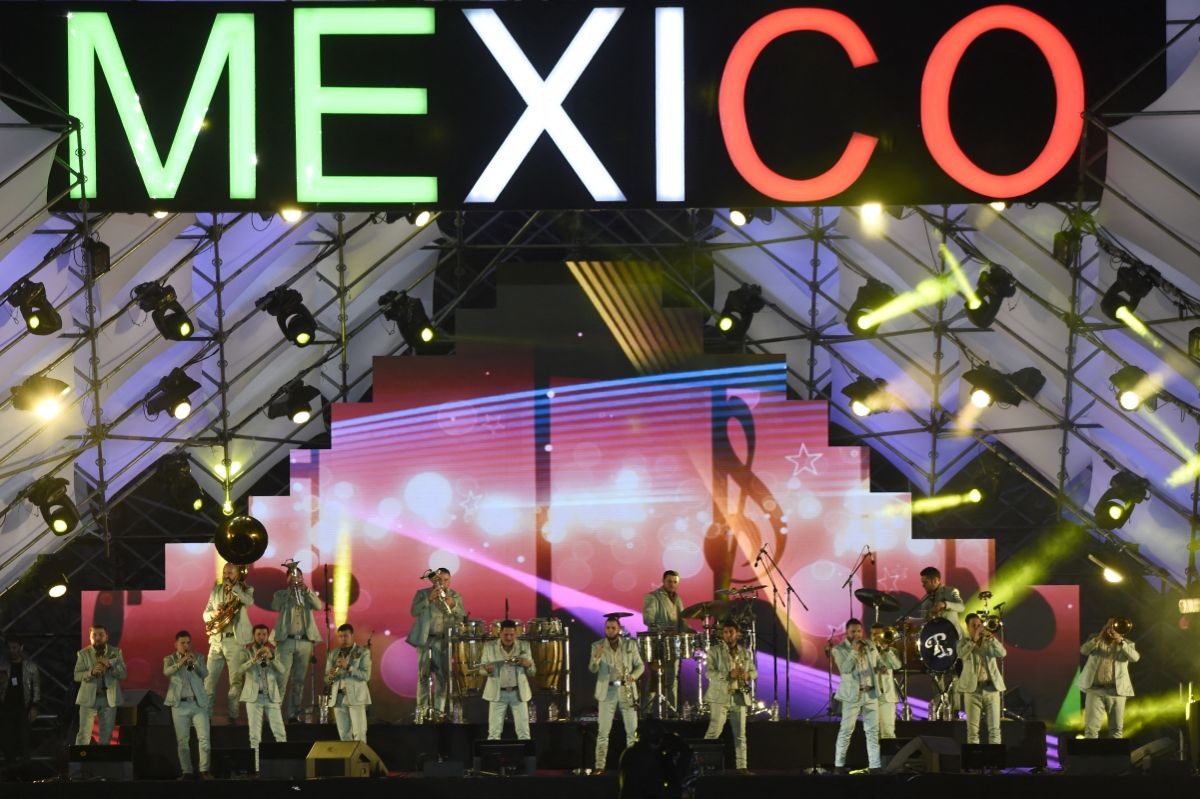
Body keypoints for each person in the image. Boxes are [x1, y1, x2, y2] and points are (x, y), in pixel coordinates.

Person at [406, 567, 465, 719]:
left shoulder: (455, 596)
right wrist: (429, 599)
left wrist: (454, 605)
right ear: (434, 580)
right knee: (423, 675)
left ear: (450, 581)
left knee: (442, 676)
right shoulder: (422, 594)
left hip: (443, 640)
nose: (442, 582)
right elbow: (413, 611)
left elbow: (461, 616)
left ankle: (439, 711)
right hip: (425, 640)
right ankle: (422, 710)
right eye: (440, 580)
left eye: (446, 580)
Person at [590, 614, 645, 774]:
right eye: (608, 628)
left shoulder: (629, 645)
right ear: (604, 629)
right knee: (603, 732)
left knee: (631, 732)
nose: (610, 630)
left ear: (619, 629)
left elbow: (640, 666)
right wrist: (596, 658)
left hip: (626, 689)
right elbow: (592, 669)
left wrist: (633, 677)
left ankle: (633, 768)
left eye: (613, 628)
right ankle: (599, 766)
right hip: (607, 691)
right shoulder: (597, 645)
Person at [271, 561, 324, 722]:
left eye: (299, 576)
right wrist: (290, 591)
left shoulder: (307, 594)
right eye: (293, 576)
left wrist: (306, 590)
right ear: (287, 579)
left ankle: (293, 714)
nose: (296, 579)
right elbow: (275, 606)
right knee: (281, 678)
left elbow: (318, 606)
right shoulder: (281, 594)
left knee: (299, 681)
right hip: (286, 642)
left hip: (305, 642)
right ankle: (275, 714)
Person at [703, 618, 756, 773]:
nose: (727, 635)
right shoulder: (714, 651)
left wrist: (747, 675)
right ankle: (704, 764)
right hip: (720, 697)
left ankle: (742, 767)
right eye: (725, 632)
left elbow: (755, 671)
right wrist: (727, 674)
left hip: (739, 697)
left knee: (740, 735)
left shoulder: (744, 652)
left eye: (731, 632)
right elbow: (709, 673)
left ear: (737, 634)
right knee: (714, 732)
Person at [203, 563, 254, 722]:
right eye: (225, 572)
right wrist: (215, 613)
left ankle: (233, 717)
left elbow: (249, 601)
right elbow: (204, 614)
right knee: (209, 682)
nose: (226, 575)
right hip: (217, 640)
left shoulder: (246, 589)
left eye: (230, 572)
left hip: (235, 641)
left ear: (238, 574)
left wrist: (235, 589)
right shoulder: (216, 590)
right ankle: (206, 717)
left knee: (235, 682)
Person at [831, 618, 881, 773]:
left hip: (870, 693)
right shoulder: (839, 650)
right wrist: (854, 650)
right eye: (853, 631)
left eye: (859, 631)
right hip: (852, 696)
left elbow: (877, 663)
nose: (857, 634)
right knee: (846, 730)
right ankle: (838, 766)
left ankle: (875, 766)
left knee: (872, 731)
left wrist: (883, 666)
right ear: (847, 632)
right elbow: (845, 668)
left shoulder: (870, 645)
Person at [237, 624, 287, 772]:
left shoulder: (273, 651)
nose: (262, 637)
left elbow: (282, 671)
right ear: (254, 635)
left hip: (271, 697)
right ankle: (257, 769)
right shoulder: (246, 651)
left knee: (280, 733)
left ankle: (283, 766)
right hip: (254, 698)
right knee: (254, 735)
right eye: (259, 634)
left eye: (264, 634)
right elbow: (239, 669)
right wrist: (253, 660)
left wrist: (272, 659)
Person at [1079, 617, 1140, 739]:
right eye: (1110, 624)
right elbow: (1083, 650)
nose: (1112, 628)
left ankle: (1115, 758)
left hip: (1116, 691)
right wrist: (1098, 637)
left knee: (1116, 730)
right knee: (1091, 730)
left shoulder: (1127, 643)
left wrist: (1120, 641)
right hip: (1095, 690)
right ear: (1105, 625)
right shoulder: (1095, 639)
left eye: (1115, 625)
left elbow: (1135, 658)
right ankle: (1090, 758)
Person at [163, 630, 212, 780]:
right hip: (179, 705)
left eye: (188, 642)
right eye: (183, 643)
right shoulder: (169, 659)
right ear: (176, 644)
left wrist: (194, 662)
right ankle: (187, 771)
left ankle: (204, 770)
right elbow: (167, 672)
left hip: (198, 704)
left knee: (204, 738)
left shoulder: (199, 657)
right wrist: (181, 662)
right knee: (183, 741)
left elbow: (205, 674)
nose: (186, 645)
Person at [480, 619, 535, 740]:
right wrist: (487, 670)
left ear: (516, 634)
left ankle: (525, 758)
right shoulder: (489, 646)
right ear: (500, 633)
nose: (509, 637)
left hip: (518, 693)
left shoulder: (524, 646)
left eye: (511, 634)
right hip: (497, 693)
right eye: (506, 634)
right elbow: (481, 669)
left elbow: (533, 671)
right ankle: (493, 758)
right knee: (494, 733)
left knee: (524, 733)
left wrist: (528, 665)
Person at [955, 613, 1006, 744]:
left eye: (979, 625)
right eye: (973, 626)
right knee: (972, 731)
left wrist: (993, 639)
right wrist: (974, 640)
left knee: (994, 729)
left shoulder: (989, 641)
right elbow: (961, 655)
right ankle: (974, 763)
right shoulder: (963, 643)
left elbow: (1002, 653)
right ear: (967, 627)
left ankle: (995, 762)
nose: (977, 628)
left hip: (991, 689)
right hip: (972, 690)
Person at [73, 625, 126, 745]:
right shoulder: (83, 654)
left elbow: (123, 674)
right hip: (88, 699)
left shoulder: (116, 652)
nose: (97, 638)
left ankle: (103, 762)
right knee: (83, 735)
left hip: (109, 699)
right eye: (94, 635)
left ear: (106, 637)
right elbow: (76, 676)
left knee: (106, 736)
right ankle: (80, 762)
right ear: (90, 638)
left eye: (100, 635)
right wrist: (91, 672)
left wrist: (111, 666)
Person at [642, 570, 685, 716]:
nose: (672, 584)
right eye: (669, 581)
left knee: (672, 680)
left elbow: (683, 621)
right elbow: (648, 618)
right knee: (654, 680)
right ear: (663, 581)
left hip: (674, 645)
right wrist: (663, 628)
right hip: (657, 644)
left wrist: (691, 631)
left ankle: (671, 713)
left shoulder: (678, 599)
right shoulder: (653, 596)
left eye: (675, 582)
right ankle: (646, 714)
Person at [618, 717, 694, 799]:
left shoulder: (628, 752)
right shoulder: (650, 757)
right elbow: (654, 790)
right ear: (659, 739)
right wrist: (679, 794)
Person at [0, 638, 40, 779]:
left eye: (15, 647)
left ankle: (25, 775)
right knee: (6, 742)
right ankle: (12, 774)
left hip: (23, 709)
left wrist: (34, 707)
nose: (12, 651)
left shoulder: (30, 666)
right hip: (5, 709)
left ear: (20, 648)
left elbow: (36, 687)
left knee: (24, 742)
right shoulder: (3, 666)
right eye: (10, 648)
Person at [325, 623, 371, 744]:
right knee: (343, 733)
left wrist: (348, 667)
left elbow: (366, 675)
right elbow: (326, 678)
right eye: (340, 636)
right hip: (338, 697)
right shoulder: (333, 654)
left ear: (352, 635)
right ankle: (348, 761)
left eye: (346, 636)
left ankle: (361, 760)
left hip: (356, 696)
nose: (343, 639)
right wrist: (330, 676)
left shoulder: (363, 652)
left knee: (359, 733)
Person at [869, 624, 903, 739]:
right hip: (871, 696)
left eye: (878, 634)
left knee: (888, 732)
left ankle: (888, 757)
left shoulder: (891, 650)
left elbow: (897, 665)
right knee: (873, 733)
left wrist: (886, 650)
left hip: (886, 696)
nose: (876, 636)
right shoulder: (866, 651)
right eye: (873, 634)